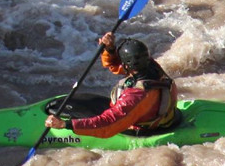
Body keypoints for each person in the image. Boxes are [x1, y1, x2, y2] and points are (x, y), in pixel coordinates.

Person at [44, 33, 180, 138]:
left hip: (138, 127)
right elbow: (114, 66)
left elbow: (109, 125)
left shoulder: (136, 95)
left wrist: (65, 124)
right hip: (159, 118)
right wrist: (110, 49)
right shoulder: (151, 66)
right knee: (68, 102)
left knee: (58, 108)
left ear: (127, 66)